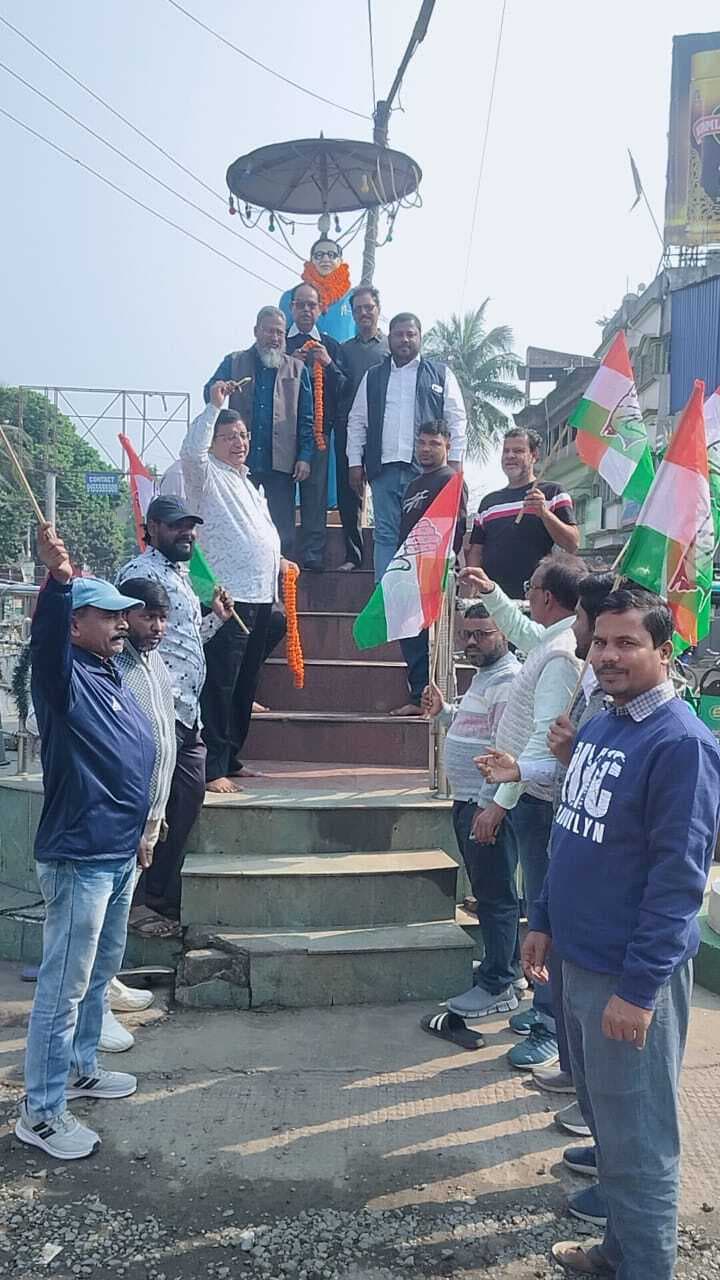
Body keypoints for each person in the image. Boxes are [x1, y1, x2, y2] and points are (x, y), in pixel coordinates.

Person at [522, 586, 720, 1279]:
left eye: (627, 643)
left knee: (639, 1141)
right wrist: (543, 919)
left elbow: (677, 884)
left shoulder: (682, 745)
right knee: (605, 1119)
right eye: (601, 641)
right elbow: (570, 830)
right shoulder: (604, 723)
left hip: (628, 977)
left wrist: (637, 992)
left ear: (664, 651)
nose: (608, 655)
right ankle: (617, 1250)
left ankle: (644, 1267)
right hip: (576, 960)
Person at [16, 525, 155, 1160]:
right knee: (63, 988)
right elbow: (44, 640)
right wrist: (58, 582)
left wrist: (140, 836)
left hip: (119, 853)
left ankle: (81, 1068)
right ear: (75, 625)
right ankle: (42, 1112)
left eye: (124, 615)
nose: (122, 624)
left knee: (99, 973)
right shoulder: (62, 674)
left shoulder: (106, 671)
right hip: (80, 858)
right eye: (109, 615)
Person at [454, 554, 585, 1069]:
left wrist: (498, 801)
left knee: (544, 914)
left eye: (529, 587)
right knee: (537, 907)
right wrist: (491, 592)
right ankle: (544, 1007)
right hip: (527, 796)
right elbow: (522, 630)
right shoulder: (551, 641)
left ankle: (551, 1022)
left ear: (547, 596)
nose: (525, 596)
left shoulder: (560, 656)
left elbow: (541, 739)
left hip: (536, 800)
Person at [118, 496, 233, 919]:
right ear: (152, 528)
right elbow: (128, 638)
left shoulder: (179, 576)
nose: (188, 533)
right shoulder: (139, 574)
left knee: (185, 797)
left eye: (190, 526)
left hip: (186, 714)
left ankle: (157, 897)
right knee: (146, 805)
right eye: (176, 525)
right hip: (154, 710)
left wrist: (216, 619)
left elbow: (182, 641)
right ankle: (136, 903)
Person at [181, 385, 297, 792]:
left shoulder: (246, 482)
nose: (239, 443)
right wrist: (214, 406)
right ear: (213, 442)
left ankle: (230, 756)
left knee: (245, 683)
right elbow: (191, 453)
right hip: (226, 598)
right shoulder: (205, 475)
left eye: (243, 436)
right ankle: (210, 767)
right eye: (229, 437)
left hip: (261, 593)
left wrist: (279, 561)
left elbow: (257, 534)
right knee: (220, 683)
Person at [420, 605, 522, 1031]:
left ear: (505, 633)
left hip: (484, 806)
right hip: (469, 801)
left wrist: (488, 805)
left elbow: (505, 748)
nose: (472, 642)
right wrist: (445, 711)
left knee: (494, 894)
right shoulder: (484, 677)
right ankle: (508, 966)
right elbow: (471, 728)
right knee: (489, 889)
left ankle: (498, 985)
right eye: (467, 635)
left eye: (483, 633)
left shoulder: (509, 681)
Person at [346, 312, 467, 581]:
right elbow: (357, 421)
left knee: (426, 533)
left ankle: (422, 592)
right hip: (383, 470)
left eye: (411, 334)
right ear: (389, 338)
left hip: (427, 473)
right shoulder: (373, 376)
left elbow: (457, 420)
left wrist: (455, 462)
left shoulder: (440, 374)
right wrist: (355, 462)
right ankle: (385, 594)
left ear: (420, 337)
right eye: (399, 334)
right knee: (385, 534)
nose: (405, 340)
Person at [202, 306, 314, 557]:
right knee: (239, 524)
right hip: (240, 461)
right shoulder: (234, 362)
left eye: (279, 333)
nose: (274, 338)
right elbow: (209, 392)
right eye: (269, 331)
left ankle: (283, 579)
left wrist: (305, 456)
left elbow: (306, 418)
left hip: (281, 462)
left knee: (283, 531)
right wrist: (221, 387)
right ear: (256, 331)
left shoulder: (298, 369)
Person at [390, 421, 467, 716]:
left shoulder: (451, 480)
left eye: (434, 443)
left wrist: (437, 569)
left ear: (448, 445)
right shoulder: (413, 485)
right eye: (421, 443)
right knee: (410, 639)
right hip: (408, 572)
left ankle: (431, 701)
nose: (426, 449)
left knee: (431, 643)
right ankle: (416, 697)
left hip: (434, 572)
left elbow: (456, 529)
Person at [468, 427, 580, 599]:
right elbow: (476, 550)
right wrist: (474, 585)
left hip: (535, 598)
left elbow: (572, 543)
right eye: (506, 451)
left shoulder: (552, 492)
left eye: (518, 451)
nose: (510, 456)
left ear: (534, 456)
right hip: (492, 597)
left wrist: (544, 513)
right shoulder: (489, 502)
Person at [286, 282, 348, 572]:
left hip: (319, 434)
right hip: (282, 435)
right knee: (280, 496)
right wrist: (288, 365)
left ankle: (313, 554)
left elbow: (345, 389)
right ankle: (281, 553)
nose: (306, 310)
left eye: (312, 305)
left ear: (321, 309)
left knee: (315, 495)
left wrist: (329, 363)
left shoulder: (330, 345)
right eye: (300, 304)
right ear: (292, 308)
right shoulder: (280, 344)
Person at [336, 287, 389, 571]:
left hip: (384, 430)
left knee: (385, 492)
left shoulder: (391, 348)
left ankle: (387, 556)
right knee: (349, 493)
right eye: (358, 309)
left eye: (369, 307)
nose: (364, 313)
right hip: (348, 429)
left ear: (378, 309)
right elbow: (337, 386)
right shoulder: (344, 350)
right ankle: (353, 556)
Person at [279, 236, 354, 343]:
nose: (325, 259)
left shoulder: (354, 298)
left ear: (340, 260)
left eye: (331, 255)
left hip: (343, 353)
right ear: (311, 260)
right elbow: (281, 335)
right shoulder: (290, 297)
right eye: (319, 255)